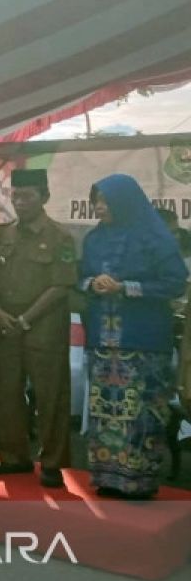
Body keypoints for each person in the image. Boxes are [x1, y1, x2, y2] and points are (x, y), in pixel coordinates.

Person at [80, 174, 187, 499]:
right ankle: (108, 477)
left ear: (125, 201)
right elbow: (79, 276)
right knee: (105, 410)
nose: (99, 207)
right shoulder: (93, 239)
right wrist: (91, 283)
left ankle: (137, 481)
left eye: (105, 201)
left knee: (141, 413)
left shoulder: (155, 239)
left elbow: (175, 284)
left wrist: (127, 288)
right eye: (96, 200)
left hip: (144, 342)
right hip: (103, 338)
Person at [0, 169, 78, 489]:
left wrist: (25, 319)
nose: (20, 202)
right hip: (7, 324)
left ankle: (52, 462)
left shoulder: (59, 236)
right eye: (16, 196)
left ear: (44, 198)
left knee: (50, 395)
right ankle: (13, 457)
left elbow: (61, 286)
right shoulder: (2, 232)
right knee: (7, 393)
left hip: (43, 327)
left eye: (28, 196)